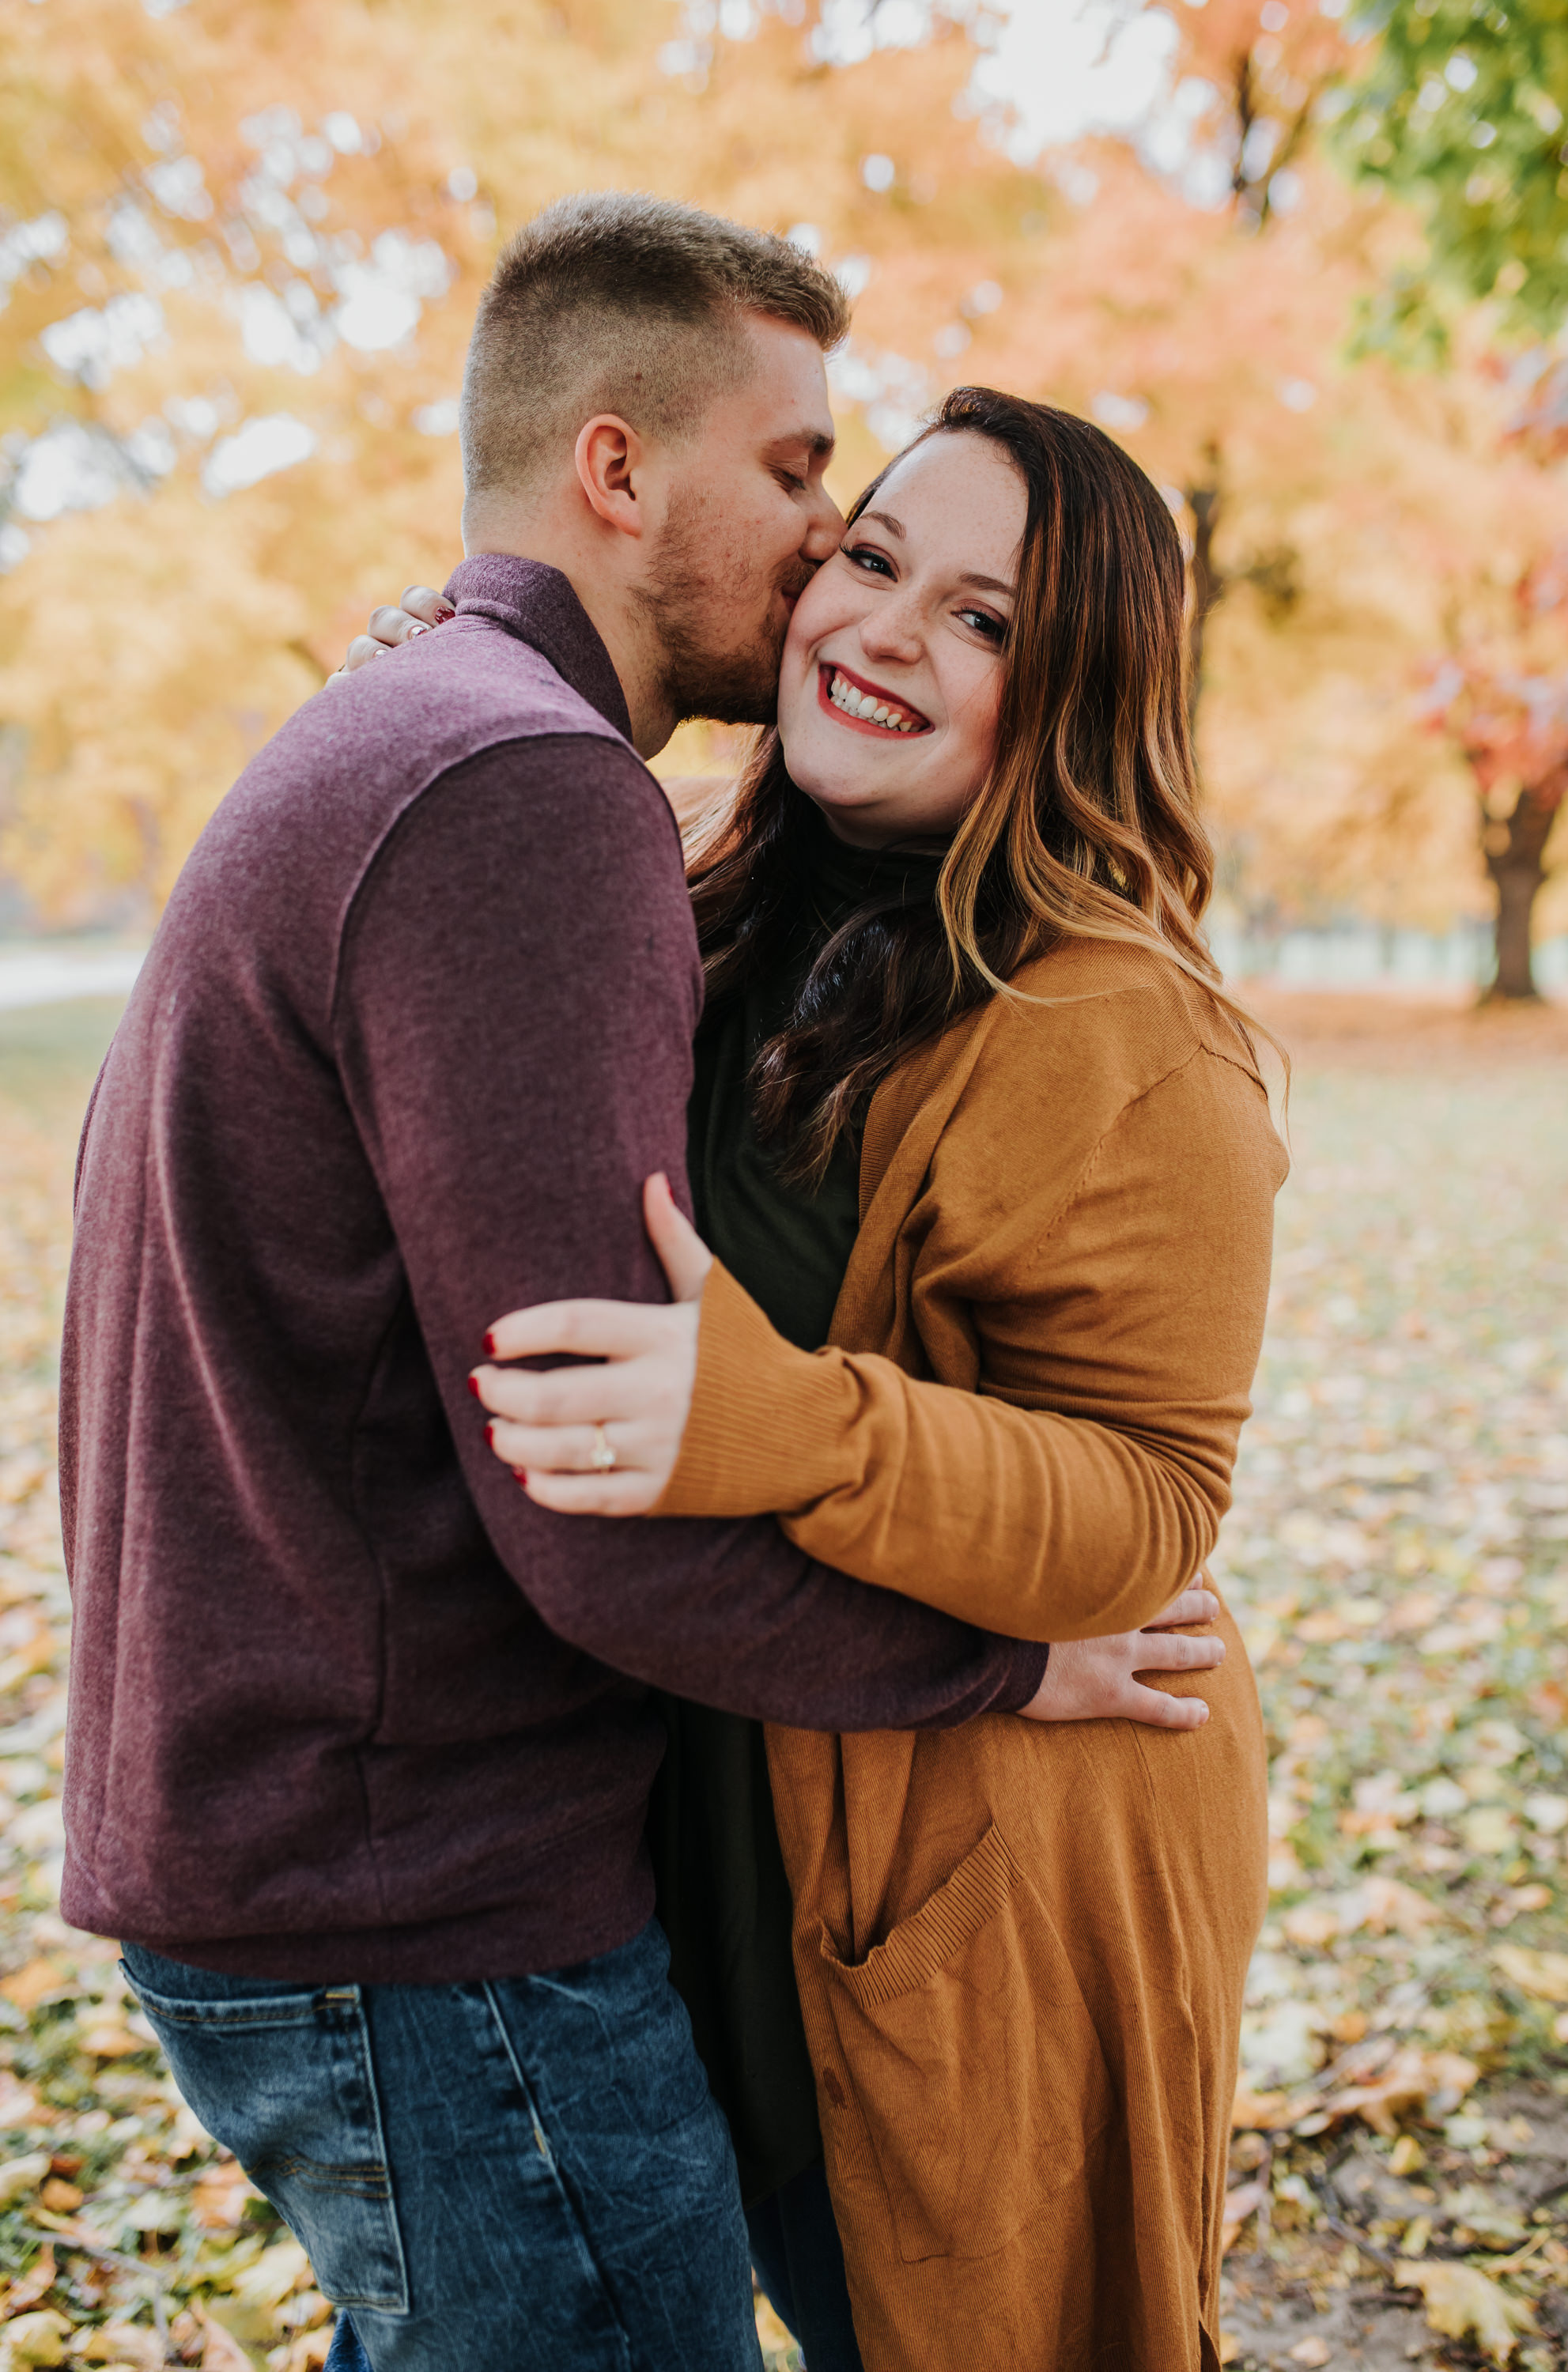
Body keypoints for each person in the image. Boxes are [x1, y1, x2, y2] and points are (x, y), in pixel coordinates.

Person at [61, 195, 1222, 2372]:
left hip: (407, 1861)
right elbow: (596, 1502)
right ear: (616, 470)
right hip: (428, 1888)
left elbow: (1136, 1475)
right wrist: (993, 1670)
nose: (825, 568)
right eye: (819, 497)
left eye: (969, 606)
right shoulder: (530, 792)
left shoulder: (460, 747)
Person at [371, 389, 1287, 2368]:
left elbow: (1148, 1507)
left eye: (984, 621)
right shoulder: (708, 902)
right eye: (870, 558)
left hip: (989, 1866)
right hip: (721, 1837)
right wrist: (435, 688)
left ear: (1074, 696)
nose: (880, 630)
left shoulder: (1119, 1025)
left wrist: (786, 1421)